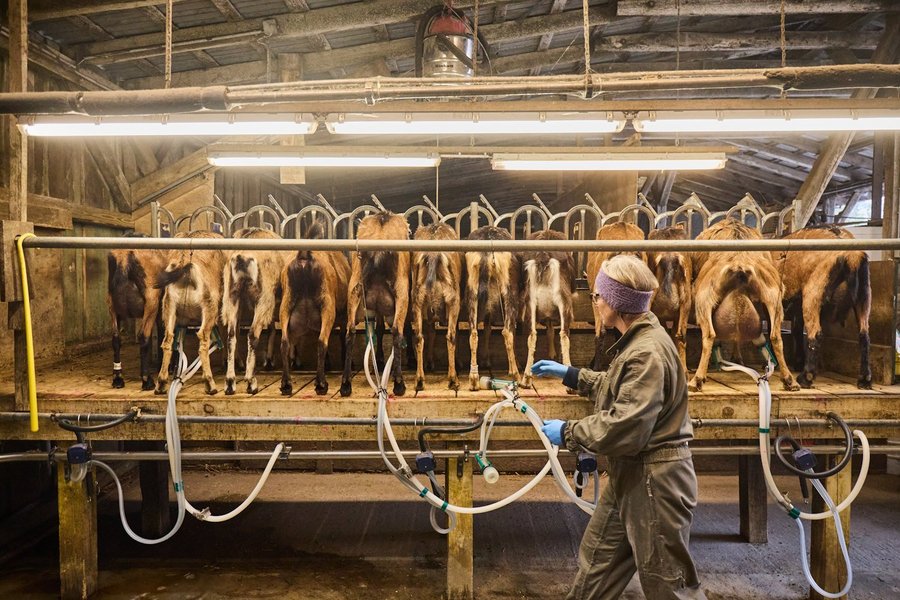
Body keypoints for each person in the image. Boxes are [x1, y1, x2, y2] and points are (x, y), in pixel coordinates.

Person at [532, 254, 706, 600]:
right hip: (632, 474)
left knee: (668, 584)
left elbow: (626, 425)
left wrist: (569, 432)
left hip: (655, 481)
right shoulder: (638, 343)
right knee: (597, 565)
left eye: (598, 296)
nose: (595, 303)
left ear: (617, 302)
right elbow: (619, 389)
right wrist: (572, 374)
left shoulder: (647, 353)